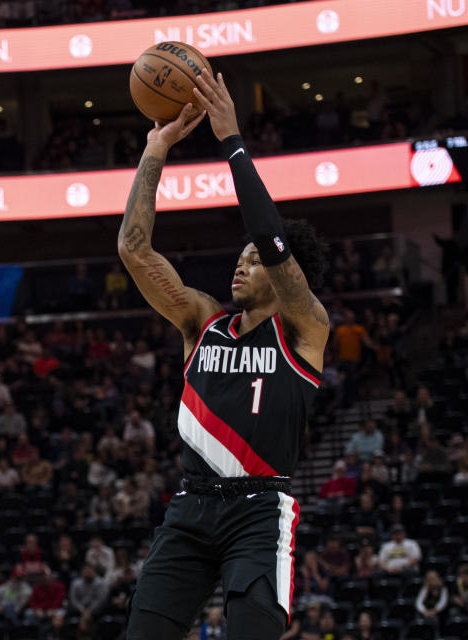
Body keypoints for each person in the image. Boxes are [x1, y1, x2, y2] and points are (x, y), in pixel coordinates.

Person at [119, 71, 329, 640]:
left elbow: (269, 234)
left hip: (260, 512)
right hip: (190, 509)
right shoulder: (202, 320)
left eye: (254, 260)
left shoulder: (304, 328)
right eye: (240, 258)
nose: (242, 264)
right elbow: (133, 250)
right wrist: (154, 153)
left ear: (286, 274)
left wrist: (232, 140)